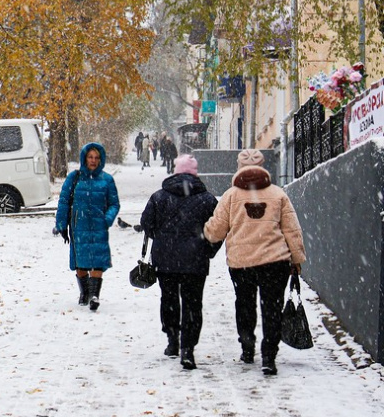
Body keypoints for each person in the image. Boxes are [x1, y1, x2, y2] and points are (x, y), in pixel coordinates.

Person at [204, 148, 306, 375]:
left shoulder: (231, 196)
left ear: (239, 167)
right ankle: (269, 357)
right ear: (263, 166)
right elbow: (292, 230)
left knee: (245, 305)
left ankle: (247, 348)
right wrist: (297, 258)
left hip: (242, 263)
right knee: (272, 308)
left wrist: (206, 232)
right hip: (275, 262)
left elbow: (215, 231)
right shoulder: (278, 194)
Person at [140, 154, 219, 370]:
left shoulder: (159, 197)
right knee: (193, 303)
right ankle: (188, 349)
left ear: (175, 172)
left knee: (169, 299)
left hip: (166, 260)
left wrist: (162, 239)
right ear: (195, 173)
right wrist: (208, 250)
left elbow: (146, 223)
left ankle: (172, 340)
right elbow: (218, 229)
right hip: (196, 260)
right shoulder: (208, 199)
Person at [53, 142, 121, 311]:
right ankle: (85, 292)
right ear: (84, 158)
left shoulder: (107, 180)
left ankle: (94, 295)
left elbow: (114, 204)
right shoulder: (74, 178)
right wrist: (61, 224)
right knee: (81, 263)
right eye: (90, 157)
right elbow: (64, 201)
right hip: (79, 226)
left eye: (96, 157)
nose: (93, 160)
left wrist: (107, 219)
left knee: (98, 260)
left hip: (99, 226)